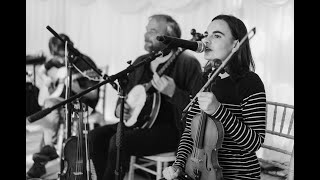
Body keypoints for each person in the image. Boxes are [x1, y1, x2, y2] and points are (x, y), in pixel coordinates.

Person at [88, 14, 204, 180]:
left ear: (170, 37)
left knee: (118, 140)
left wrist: (173, 93)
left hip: (169, 130)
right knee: (94, 137)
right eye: (146, 30)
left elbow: (198, 109)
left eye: (153, 31)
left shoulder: (188, 64)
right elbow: (125, 96)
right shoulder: (141, 62)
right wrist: (121, 108)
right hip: (137, 125)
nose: (145, 35)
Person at [162, 14, 267, 180]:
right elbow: (190, 132)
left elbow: (254, 143)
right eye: (206, 34)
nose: (207, 40)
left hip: (238, 175)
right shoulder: (203, 79)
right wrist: (178, 164)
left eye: (217, 35)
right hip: (197, 172)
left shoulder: (250, 82)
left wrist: (218, 110)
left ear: (236, 44)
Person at [26, 33, 102, 179]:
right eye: (55, 56)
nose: (57, 59)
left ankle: (43, 158)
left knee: (50, 109)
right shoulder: (57, 62)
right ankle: (47, 152)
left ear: (68, 49)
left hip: (83, 106)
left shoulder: (85, 63)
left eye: (59, 55)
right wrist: (48, 80)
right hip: (62, 105)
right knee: (52, 109)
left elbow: (93, 95)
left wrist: (77, 88)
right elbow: (42, 70)